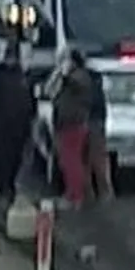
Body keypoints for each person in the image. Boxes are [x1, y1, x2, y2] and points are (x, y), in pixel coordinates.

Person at [0, 48, 35, 202]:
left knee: (15, 158)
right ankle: (4, 186)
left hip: (19, 126)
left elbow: (29, 101)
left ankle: (9, 183)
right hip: (3, 126)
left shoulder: (22, 78)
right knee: (3, 158)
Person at [44, 50, 92, 209]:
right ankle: (72, 193)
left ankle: (75, 196)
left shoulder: (79, 77)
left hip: (72, 124)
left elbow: (74, 84)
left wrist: (63, 72)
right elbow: (50, 89)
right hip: (67, 123)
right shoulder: (75, 77)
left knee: (71, 161)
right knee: (68, 161)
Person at [87, 61, 113, 203]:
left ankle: (97, 192)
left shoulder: (91, 92)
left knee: (92, 160)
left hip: (91, 124)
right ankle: (104, 192)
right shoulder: (99, 91)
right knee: (99, 160)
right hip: (97, 124)